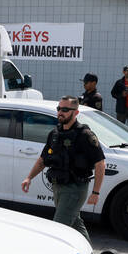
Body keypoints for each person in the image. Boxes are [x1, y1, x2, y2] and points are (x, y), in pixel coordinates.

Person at [20, 96, 106, 240]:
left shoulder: (85, 135)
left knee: (58, 230)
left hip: (75, 188)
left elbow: (100, 164)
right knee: (76, 225)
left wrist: (96, 192)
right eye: (59, 109)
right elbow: (43, 160)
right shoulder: (55, 134)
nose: (60, 112)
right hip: (58, 187)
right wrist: (29, 177)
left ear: (76, 112)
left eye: (65, 109)